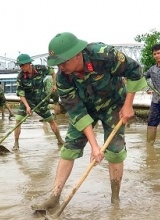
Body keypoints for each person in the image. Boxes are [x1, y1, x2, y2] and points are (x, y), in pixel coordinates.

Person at [31, 32, 147, 210]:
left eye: (63, 62)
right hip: (86, 108)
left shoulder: (103, 54)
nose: (60, 67)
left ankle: (115, 200)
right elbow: (76, 111)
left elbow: (135, 71)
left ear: (77, 54)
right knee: (69, 149)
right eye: (57, 64)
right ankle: (54, 197)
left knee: (115, 151)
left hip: (114, 104)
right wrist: (94, 146)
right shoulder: (63, 77)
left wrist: (128, 105)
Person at [13, 53, 64, 151]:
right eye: (20, 66)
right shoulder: (20, 77)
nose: (21, 67)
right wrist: (27, 107)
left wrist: (54, 84)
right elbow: (21, 94)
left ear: (28, 64)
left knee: (51, 121)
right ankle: (16, 144)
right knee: (18, 121)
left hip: (41, 101)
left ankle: (60, 140)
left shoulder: (40, 68)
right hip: (26, 102)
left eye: (22, 65)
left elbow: (53, 71)